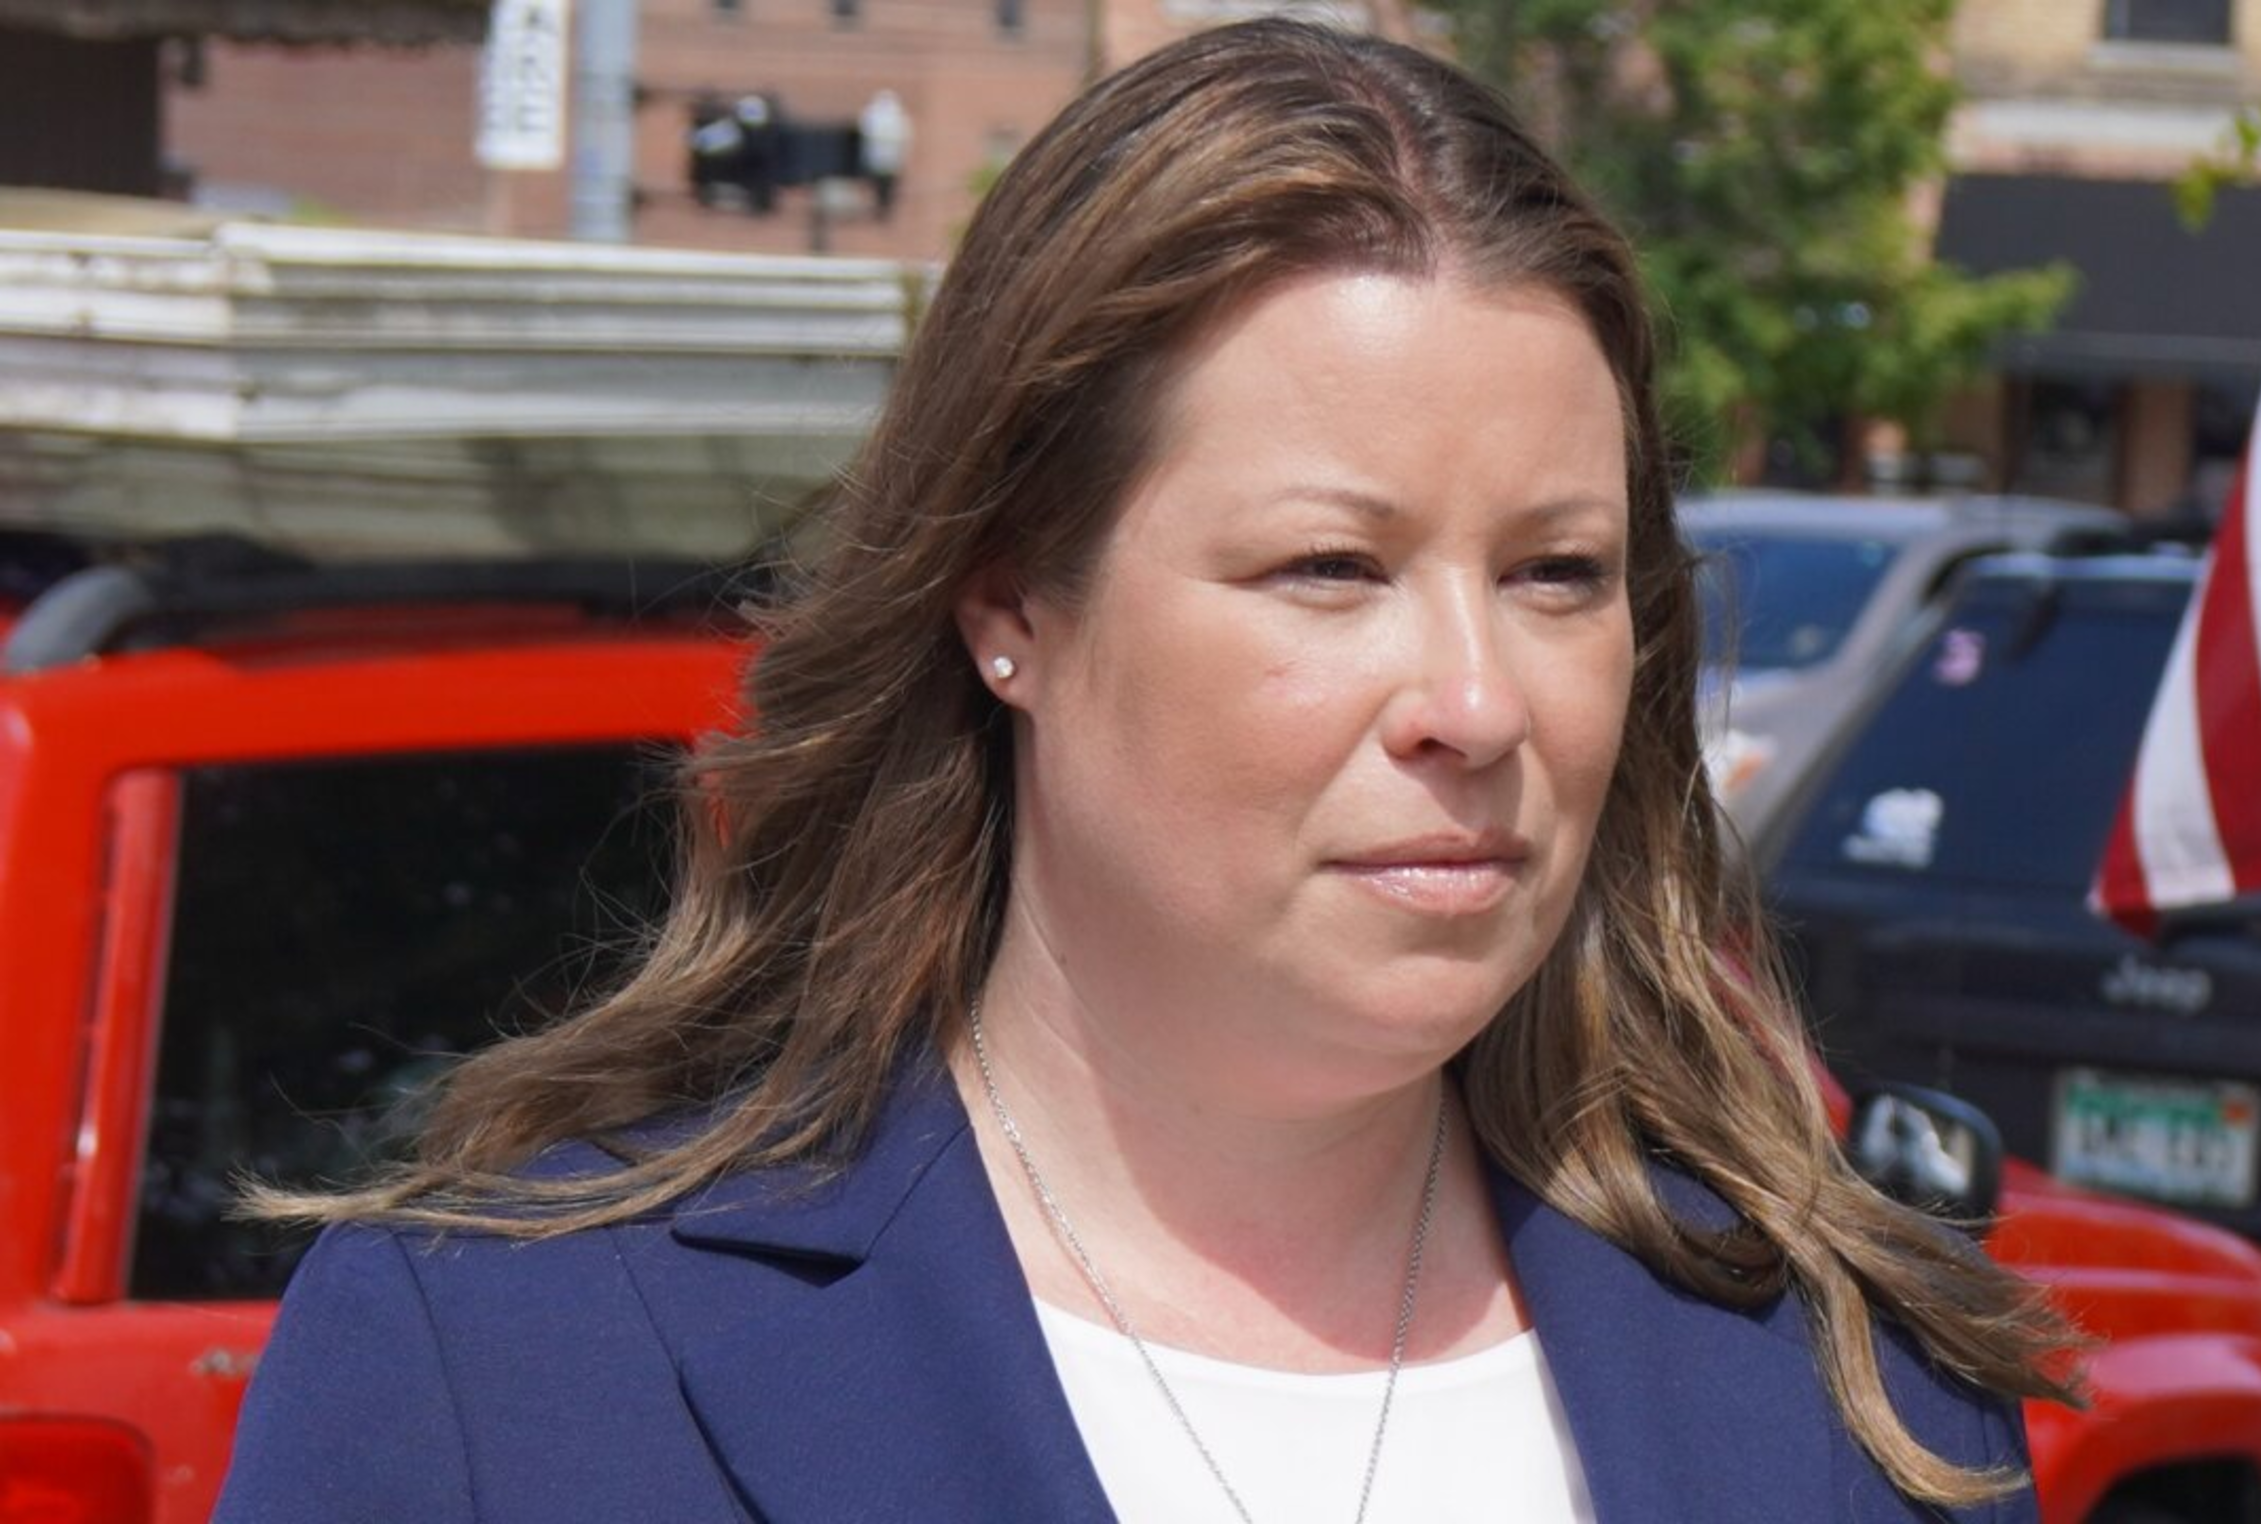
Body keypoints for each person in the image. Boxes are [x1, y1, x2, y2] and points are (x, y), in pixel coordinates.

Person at [216, 19, 2074, 1523]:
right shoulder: (507, 1375)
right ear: (1008, 601)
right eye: (1329, 567)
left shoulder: (1861, 1396)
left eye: (1555, 575)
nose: (1474, 698)